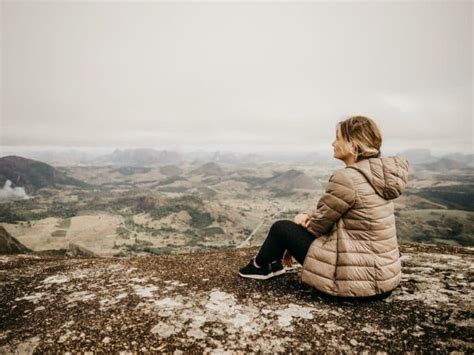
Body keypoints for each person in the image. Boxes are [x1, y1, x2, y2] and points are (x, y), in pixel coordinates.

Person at [238, 115, 410, 298]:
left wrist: (298, 225)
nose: (333, 143)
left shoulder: (347, 178)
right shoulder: (377, 177)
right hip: (383, 280)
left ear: (353, 146)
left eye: (338, 138)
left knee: (281, 228)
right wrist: (309, 214)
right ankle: (273, 264)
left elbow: (318, 226)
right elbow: (335, 207)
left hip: (354, 283)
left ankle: (260, 266)